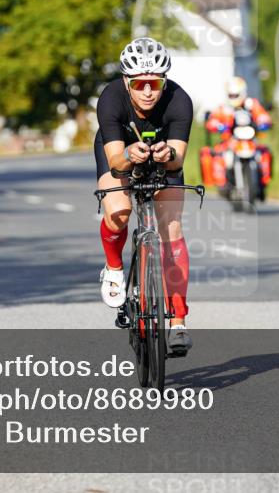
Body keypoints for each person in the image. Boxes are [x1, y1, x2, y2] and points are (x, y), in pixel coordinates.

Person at [94, 37, 194, 355]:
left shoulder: (180, 101)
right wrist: (129, 153)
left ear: (164, 81)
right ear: (127, 82)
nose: (148, 91)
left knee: (172, 227)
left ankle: (177, 322)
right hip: (120, 152)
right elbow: (114, 161)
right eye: (139, 84)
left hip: (163, 158)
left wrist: (167, 155)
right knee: (119, 211)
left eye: (155, 83)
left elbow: (179, 159)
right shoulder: (110, 99)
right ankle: (113, 267)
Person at [203, 76, 273, 199]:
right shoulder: (224, 108)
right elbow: (212, 120)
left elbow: (263, 116)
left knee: (264, 154)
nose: (233, 98)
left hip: (250, 140)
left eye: (236, 95)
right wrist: (217, 125)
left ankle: (262, 184)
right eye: (231, 95)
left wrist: (264, 122)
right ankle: (223, 185)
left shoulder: (252, 104)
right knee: (218, 157)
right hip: (229, 142)